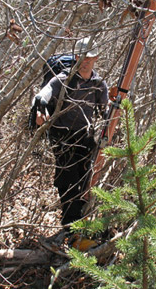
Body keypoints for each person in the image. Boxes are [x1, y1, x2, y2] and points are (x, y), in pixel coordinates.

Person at [34, 37, 108, 225]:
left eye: (89, 58)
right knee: (67, 179)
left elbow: (105, 110)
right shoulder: (64, 79)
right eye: (82, 57)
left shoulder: (98, 84)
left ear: (96, 58)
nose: (85, 62)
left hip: (84, 136)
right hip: (62, 136)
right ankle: (70, 223)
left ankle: (79, 219)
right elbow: (47, 91)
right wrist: (40, 101)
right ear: (76, 56)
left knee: (84, 179)